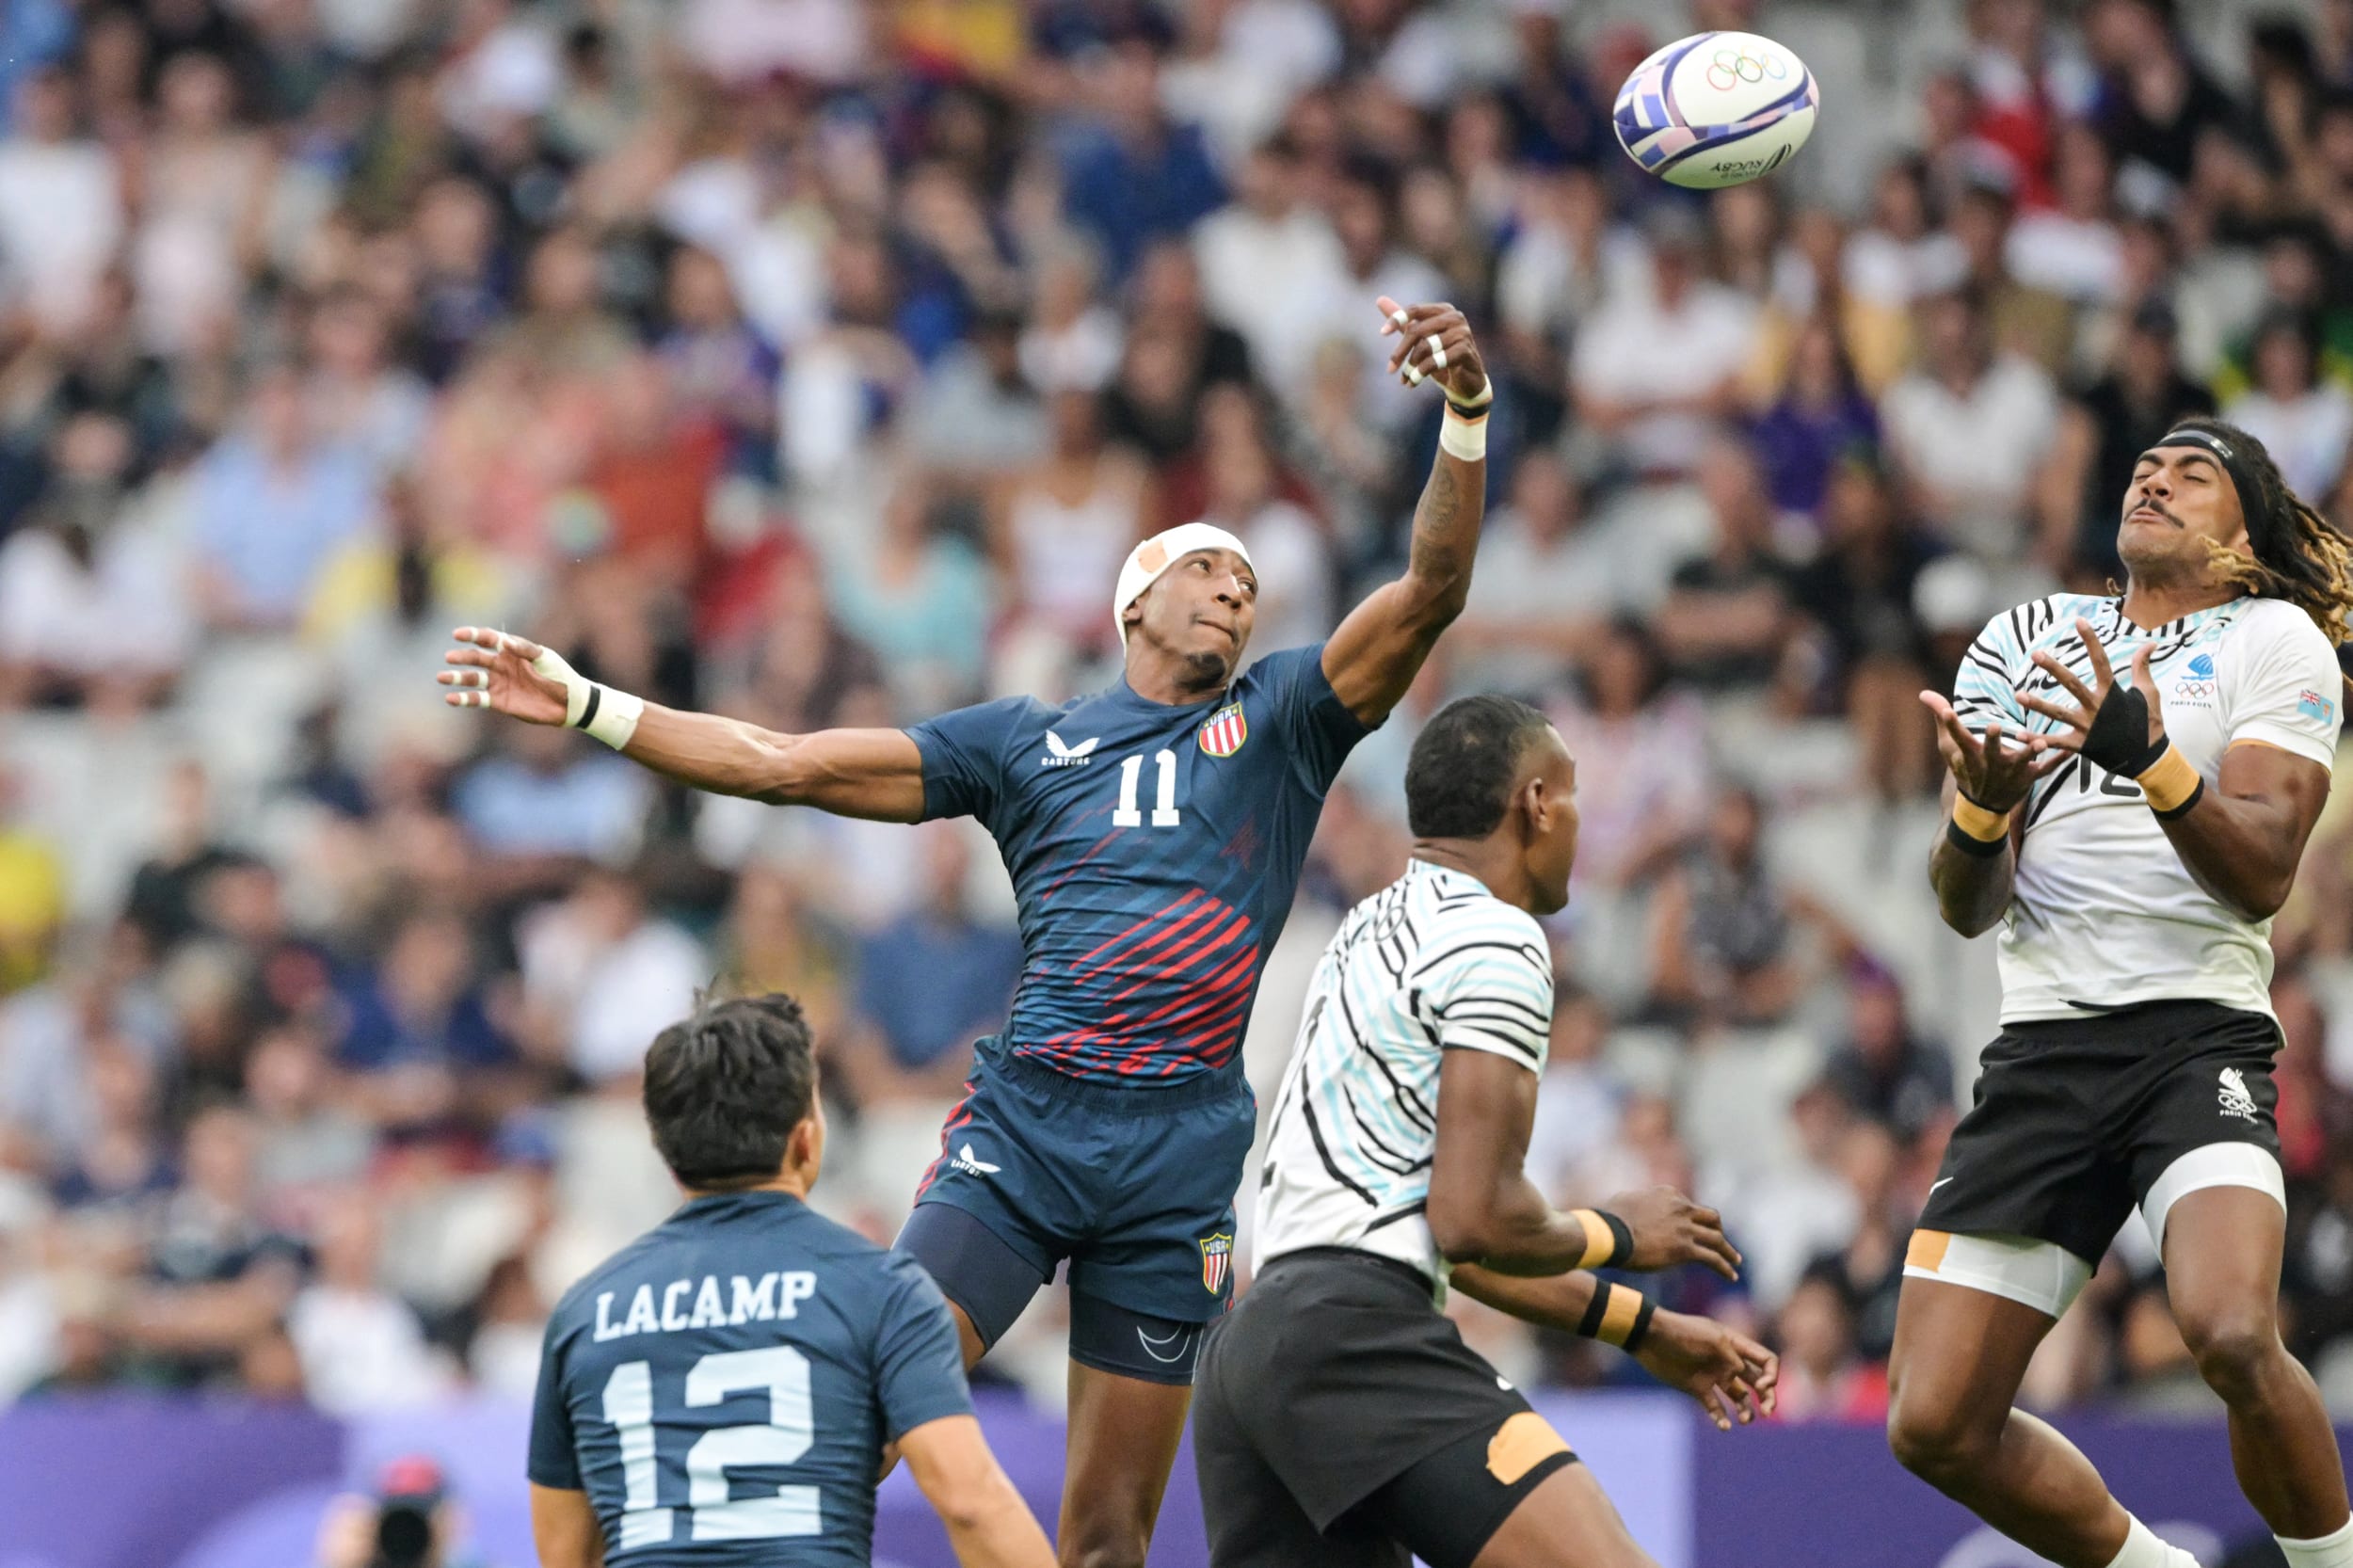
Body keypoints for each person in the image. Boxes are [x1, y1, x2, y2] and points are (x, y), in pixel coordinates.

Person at [448, 296, 1496, 1568]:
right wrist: (595, 705)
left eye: (1250, 579)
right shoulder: (1023, 739)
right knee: (863, 1419)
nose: (1237, 587)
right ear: (1135, 601)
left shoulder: (1284, 718)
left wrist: (1464, 417)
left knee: (1107, 1538)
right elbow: (784, 763)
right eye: (1208, 566)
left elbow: (1432, 586)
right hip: (1028, 1127)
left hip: (1182, 1160)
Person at [1895, 416, 2353, 1568]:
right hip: (2044, 1050)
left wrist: (2145, 752)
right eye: (2145, 466)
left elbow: (2259, 873)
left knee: (2234, 1331)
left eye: (2192, 473)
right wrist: (1976, 813)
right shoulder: (2027, 636)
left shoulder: (2273, 639)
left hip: (2194, 1041)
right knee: (1931, 1421)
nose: (2154, 478)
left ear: (2242, 531)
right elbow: (1962, 901)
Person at [1194, 694, 1777, 1568]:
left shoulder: (1364, 931)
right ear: (1536, 804)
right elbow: (1473, 1221)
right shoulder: (1498, 938)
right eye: (1574, 793)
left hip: (1252, 1355)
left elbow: (1451, 1242)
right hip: (1357, 1340)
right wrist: (1617, 1233)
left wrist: (1644, 1331)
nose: (1579, 821)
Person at [525, 994, 1054, 1568]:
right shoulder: (883, 1289)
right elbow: (971, 1503)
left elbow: (564, 1552)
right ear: (806, 1138)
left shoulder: (586, 1312)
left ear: (666, 1154)